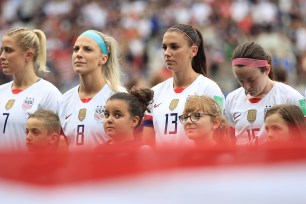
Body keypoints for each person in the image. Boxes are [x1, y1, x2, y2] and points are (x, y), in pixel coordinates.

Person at [142, 24, 225, 147]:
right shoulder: (154, 92)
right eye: (164, 47)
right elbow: (147, 145)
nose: (167, 53)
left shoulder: (209, 88)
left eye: (174, 47)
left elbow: (220, 136)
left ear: (193, 50)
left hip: (195, 164)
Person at [225, 42, 306, 146]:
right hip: (244, 161)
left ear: (267, 69)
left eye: (252, 80)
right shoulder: (232, 99)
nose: (246, 87)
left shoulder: (291, 97)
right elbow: (229, 141)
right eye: (240, 81)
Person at [58, 30, 125, 150]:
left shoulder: (118, 96)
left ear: (103, 59)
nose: (79, 54)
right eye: (76, 49)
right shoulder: (64, 100)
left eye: (87, 49)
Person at [0, 27, 62, 151]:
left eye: (8, 50)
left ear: (28, 55)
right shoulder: (1, 91)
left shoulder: (48, 94)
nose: (2, 56)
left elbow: (59, 143)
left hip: (29, 169)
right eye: (2, 50)